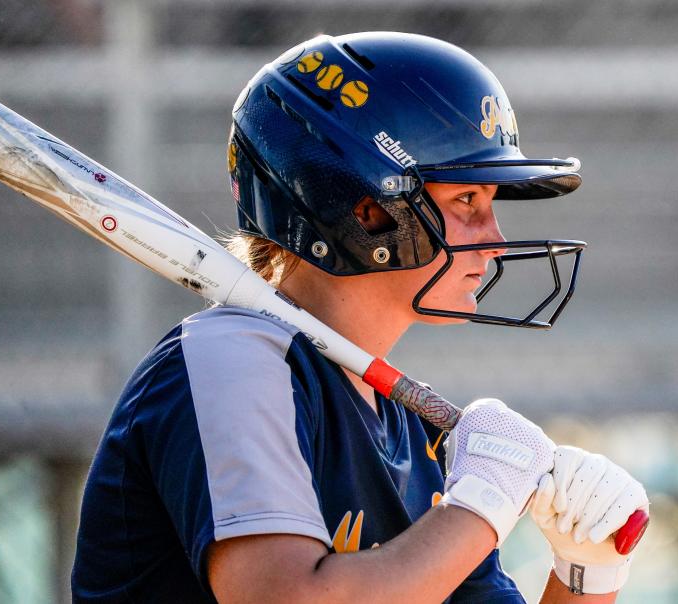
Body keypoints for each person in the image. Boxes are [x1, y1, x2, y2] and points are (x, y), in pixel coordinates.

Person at [71, 32, 648, 603]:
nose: (495, 240)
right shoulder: (234, 361)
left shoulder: (413, 431)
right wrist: (482, 505)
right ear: (370, 213)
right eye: (466, 202)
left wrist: (585, 573)